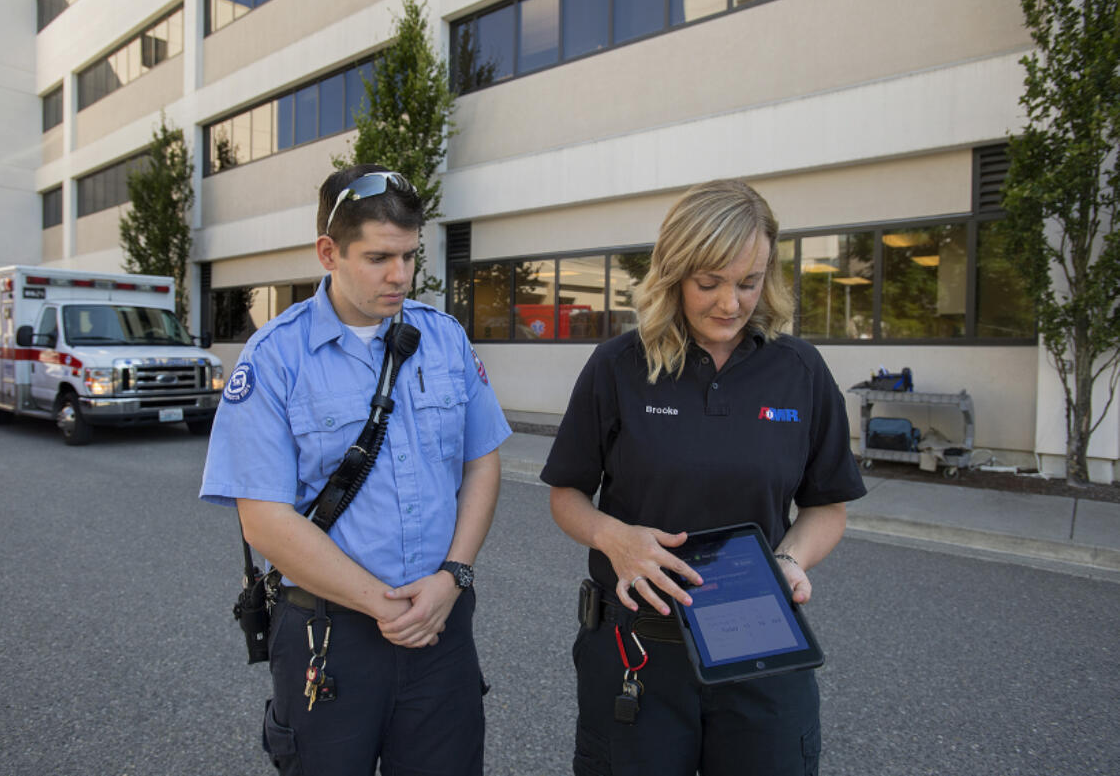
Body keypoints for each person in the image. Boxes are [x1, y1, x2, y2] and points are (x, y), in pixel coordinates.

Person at [541, 179, 867, 775]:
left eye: (749, 282)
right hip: (637, 648)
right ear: (674, 274)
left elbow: (828, 506)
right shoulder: (619, 366)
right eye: (709, 283)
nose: (731, 304)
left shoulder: (800, 371)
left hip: (761, 645)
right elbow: (567, 495)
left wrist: (790, 562)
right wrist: (615, 539)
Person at [200, 164, 512, 776]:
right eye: (378, 258)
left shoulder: (444, 338)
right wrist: (385, 606)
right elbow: (263, 521)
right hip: (330, 634)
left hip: (442, 621)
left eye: (408, 256)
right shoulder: (274, 359)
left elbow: (482, 460)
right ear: (328, 252)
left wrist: (453, 576)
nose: (400, 276)